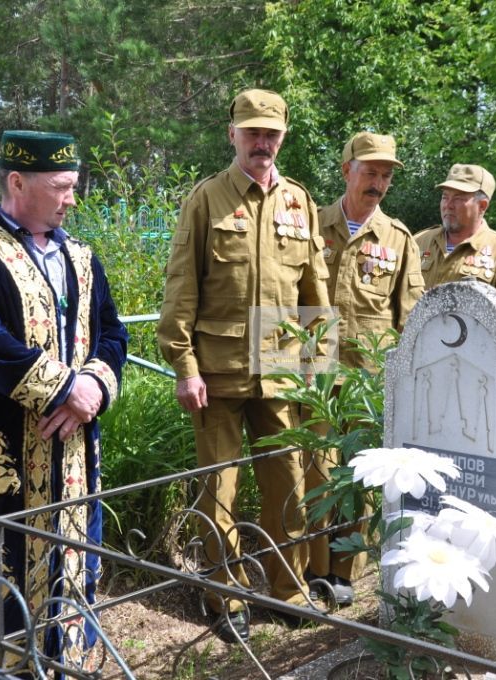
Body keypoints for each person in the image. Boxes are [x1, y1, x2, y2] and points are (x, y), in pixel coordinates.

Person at [0, 130, 128, 677]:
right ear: (17, 182)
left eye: (73, 186)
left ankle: (61, 665)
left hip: (72, 452)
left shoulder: (81, 257)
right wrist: (68, 389)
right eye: (61, 187)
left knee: (69, 562)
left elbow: (113, 334)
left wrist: (94, 388)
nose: (72, 198)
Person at [156, 88, 330, 642]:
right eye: (252, 132)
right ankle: (225, 597)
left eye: (271, 133)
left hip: (279, 365)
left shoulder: (299, 201)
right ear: (232, 134)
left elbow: (314, 292)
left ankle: (288, 589)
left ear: (283, 136)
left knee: (288, 484)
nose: (262, 143)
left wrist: (317, 365)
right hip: (218, 370)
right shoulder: (207, 199)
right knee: (220, 488)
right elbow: (182, 287)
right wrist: (184, 365)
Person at [306, 132, 424, 604]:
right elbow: (282, 295)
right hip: (311, 374)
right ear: (346, 171)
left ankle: (345, 570)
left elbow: (411, 315)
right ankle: (310, 565)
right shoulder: (311, 226)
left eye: (386, 175)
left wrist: (404, 380)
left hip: (367, 379)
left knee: (361, 475)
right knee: (312, 467)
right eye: (370, 172)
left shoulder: (399, 240)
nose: (378, 183)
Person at [414, 164, 496, 340]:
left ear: (482, 205)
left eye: (458, 199)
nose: (448, 205)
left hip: (471, 360)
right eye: (445, 197)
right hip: (417, 357)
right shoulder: (419, 242)